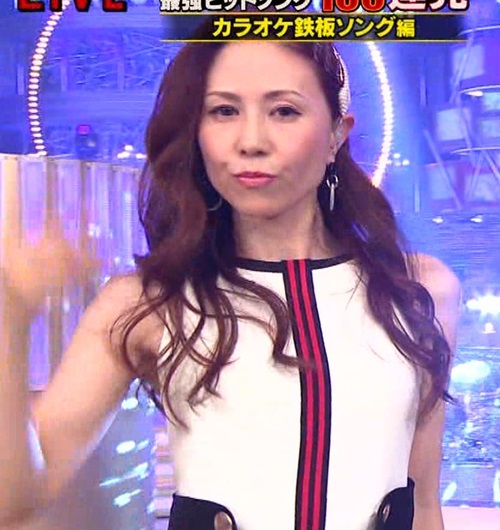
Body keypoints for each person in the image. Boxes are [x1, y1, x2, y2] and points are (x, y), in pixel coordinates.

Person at [0, 19, 461, 530]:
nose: (251, 140)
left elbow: (422, 507)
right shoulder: (148, 304)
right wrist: (9, 319)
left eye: (284, 111)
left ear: (336, 134)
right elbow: (14, 500)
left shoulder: (419, 293)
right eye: (224, 111)